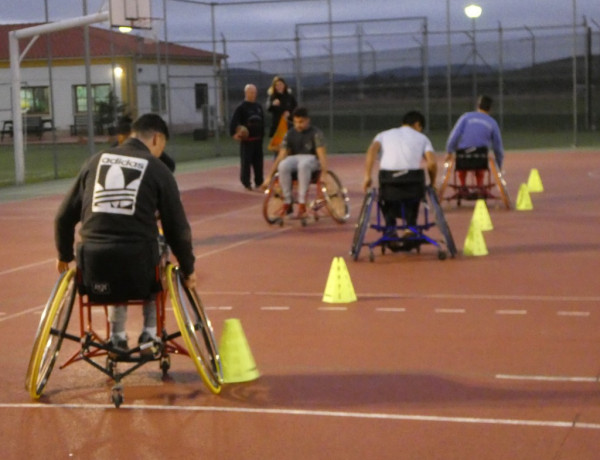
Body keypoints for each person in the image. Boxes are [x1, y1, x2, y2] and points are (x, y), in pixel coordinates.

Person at [54, 113, 196, 353]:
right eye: (162, 146)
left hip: (94, 269)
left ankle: (117, 335)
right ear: (156, 139)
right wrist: (188, 269)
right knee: (159, 253)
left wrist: (65, 256)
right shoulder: (158, 169)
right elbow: (177, 228)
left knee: (114, 262)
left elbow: (62, 218)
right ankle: (149, 334)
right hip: (140, 269)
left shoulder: (95, 161)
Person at [363, 110, 437, 250]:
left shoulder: (384, 135)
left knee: (386, 196)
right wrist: (433, 183)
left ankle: (390, 227)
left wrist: (367, 175)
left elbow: (372, 150)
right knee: (414, 192)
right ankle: (410, 227)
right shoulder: (422, 138)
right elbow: (432, 163)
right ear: (417, 124)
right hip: (413, 185)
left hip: (389, 183)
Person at [261, 107, 327, 219]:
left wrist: (324, 173)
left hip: (312, 160)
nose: (298, 125)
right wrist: (269, 176)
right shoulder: (290, 133)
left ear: (307, 120)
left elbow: (321, 154)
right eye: (296, 122)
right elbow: (281, 155)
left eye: (301, 122)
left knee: (303, 165)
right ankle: (287, 201)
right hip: (295, 159)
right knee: (283, 165)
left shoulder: (315, 133)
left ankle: (302, 203)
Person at [445, 95, 504, 189]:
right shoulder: (493, 123)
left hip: (463, 156)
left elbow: (454, 136)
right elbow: (498, 147)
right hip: (481, 157)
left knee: (461, 160)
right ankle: (480, 185)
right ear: (490, 109)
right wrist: (499, 164)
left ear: (478, 106)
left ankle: (463, 184)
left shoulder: (465, 117)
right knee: (481, 160)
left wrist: (449, 151)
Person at [230, 84, 265, 190]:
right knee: (246, 162)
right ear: (246, 93)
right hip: (247, 141)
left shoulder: (258, 107)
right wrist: (234, 134)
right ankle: (246, 183)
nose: (253, 94)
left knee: (258, 162)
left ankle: (259, 181)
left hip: (258, 140)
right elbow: (234, 122)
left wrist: (262, 134)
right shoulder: (241, 107)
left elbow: (262, 121)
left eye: (255, 92)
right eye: (251, 92)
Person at [266, 76, 297, 143]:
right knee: (277, 148)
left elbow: (295, 109)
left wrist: (289, 114)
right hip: (277, 127)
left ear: (284, 85)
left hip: (289, 126)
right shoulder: (273, 96)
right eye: (277, 85)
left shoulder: (290, 97)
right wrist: (273, 104)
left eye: (280, 84)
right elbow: (268, 108)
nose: (279, 86)